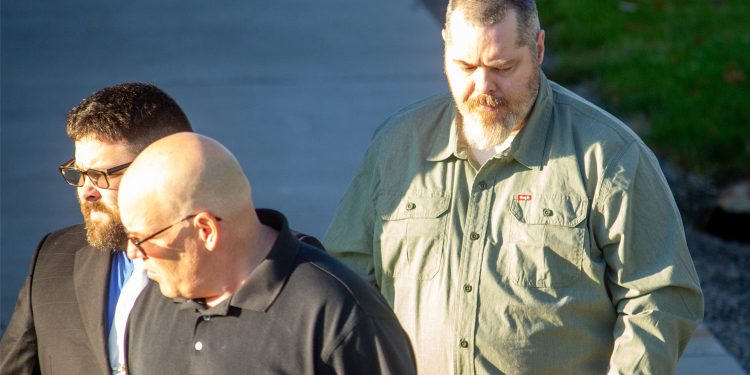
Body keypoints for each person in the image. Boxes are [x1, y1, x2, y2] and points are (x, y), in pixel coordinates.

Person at [323, 1, 704, 373]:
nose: (482, 85)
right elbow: (344, 280)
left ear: (538, 48)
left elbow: (660, 295)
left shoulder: (609, 157)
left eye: (502, 67)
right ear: (444, 46)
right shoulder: (397, 146)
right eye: (465, 66)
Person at [119, 133, 416, 374]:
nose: (132, 253)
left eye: (140, 238)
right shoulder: (150, 306)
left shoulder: (340, 315)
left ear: (206, 230)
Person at [0, 83, 193, 374]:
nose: (85, 191)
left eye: (100, 175)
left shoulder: (230, 265)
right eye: (78, 173)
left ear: (162, 165)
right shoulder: (53, 257)